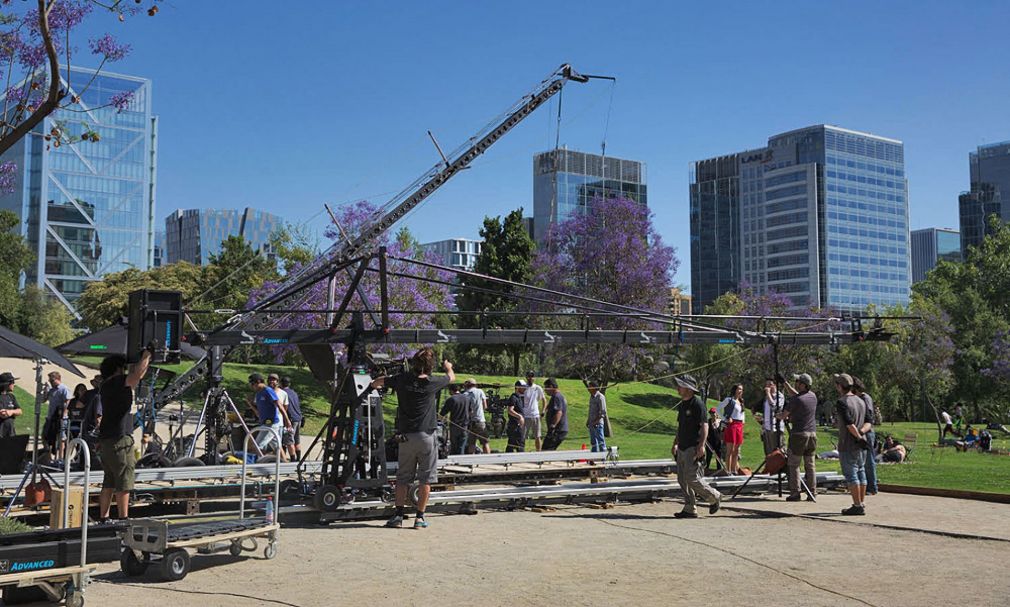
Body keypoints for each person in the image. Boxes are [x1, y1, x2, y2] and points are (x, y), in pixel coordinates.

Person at [371, 347, 454, 529]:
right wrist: (448, 366)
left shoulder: (402, 379)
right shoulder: (433, 382)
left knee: (403, 478)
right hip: (426, 436)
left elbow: (378, 382)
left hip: (406, 437)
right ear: (430, 367)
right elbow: (451, 378)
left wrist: (371, 386)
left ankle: (398, 516)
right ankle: (419, 518)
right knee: (425, 479)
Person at [97, 349, 152, 521]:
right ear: (117, 369)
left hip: (107, 441)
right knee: (124, 481)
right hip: (120, 440)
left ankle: (103, 518)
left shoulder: (105, 386)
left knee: (109, 481)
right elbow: (138, 375)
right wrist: (147, 355)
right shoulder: (117, 382)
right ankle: (123, 519)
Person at [671, 374, 721, 518]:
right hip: (682, 447)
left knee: (692, 478)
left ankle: (714, 496)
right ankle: (689, 507)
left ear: (688, 388)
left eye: (681, 385)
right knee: (682, 479)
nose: (678, 388)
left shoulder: (697, 404)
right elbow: (680, 427)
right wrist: (675, 443)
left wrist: (701, 446)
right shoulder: (682, 406)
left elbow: (705, 426)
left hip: (693, 447)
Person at [778, 373, 818, 501]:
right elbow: (797, 395)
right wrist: (785, 383)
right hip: (812, 434)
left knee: (794, 464)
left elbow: (784, 415)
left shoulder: (795, 400)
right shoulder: (812, 397)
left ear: (803, 385)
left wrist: (776, 415)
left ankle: (795, 492)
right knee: (810, 464)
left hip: (799, 434)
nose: (796, 383)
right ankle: (812, 491)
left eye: (798, 382)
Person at [834, 373, 868, 516]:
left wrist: (857, 436)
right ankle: (861, 502)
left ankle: (857, 505)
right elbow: (869, 421)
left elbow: (849, 424)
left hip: (849, 443)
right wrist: (862, 435)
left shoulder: (842, 402)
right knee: (861, 472)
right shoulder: (861, 400)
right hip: (862, 443)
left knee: (851, 474)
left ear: (840, 386)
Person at [248, 373, 292, 459]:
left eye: (252, 384)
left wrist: (287, 420)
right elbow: (258, 412)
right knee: (278, 448)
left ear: (258, 382)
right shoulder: (258, 394)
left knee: (256, 446)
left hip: (271, 424)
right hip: (264, 423)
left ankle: (261, 465)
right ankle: (285, 466)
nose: (251, 386)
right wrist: (250, 404)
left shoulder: (268, 390)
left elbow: (280, 406)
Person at [852, 377, 878, 496]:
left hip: (867, 432)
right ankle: (864, 484)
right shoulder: (858, 398)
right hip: (860, 431)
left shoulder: (865, 398)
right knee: (861, 461)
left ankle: (872, 487)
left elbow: (869, 417)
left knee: (869, 460)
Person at [267, 373, 294, 462]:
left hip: (278, 424)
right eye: (270, 379)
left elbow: (284, 409)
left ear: (278, 382)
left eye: (274, 380)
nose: (272, 381)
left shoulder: (283, 394)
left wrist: (286, 421)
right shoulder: (264, 392)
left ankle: (282, 463)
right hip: (266, 422)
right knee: (268, 446)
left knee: (278, 445)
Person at [45, 371, 71, 458]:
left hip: (61, 418)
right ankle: (49, 457)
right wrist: (45, 390)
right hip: (51, 417)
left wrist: (63, 415)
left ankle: (61, 457)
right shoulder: (51, 390)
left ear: (58, 379)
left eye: (52, 381)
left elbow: (67, 402)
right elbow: (43, 400)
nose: (51, 382)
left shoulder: (64, 389)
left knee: (61, 438)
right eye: (50, 381)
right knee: (47, 436)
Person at [720, 384, 745, 474]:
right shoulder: (729, 400)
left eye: (742, 389)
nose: (740, 391)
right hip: (731, 425)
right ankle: (728, 470)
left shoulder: (741, 401)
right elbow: (718, 409)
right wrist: (725, 418)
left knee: (737, 450)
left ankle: (734, 470)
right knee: (730, 450)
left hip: (740, 425)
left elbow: (742, 414)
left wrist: (743, 424)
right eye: (739, 389)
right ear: (735, 390)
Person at [438, 384, 470, 455]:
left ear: (451, 391)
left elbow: (442, 413)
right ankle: (461, 461)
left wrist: (439, 420)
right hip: (465, 426)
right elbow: (471, 411)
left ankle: (455, 461)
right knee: (461, 446)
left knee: (454, 446)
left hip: (454, 425)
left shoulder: (451, 399)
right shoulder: (467, 398)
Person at [464, 379, 490, 455]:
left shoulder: (465, 394)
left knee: (471, 443)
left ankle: (471, 462)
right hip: (480, 421)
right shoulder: (480, 391)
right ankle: (488, 459)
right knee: (485, 442)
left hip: (471, 422)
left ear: (466, 386)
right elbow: (485, 406)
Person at [280, 376, 303, 461]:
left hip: (290, 419)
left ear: (281, 383)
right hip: (298, 418)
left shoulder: (282, 393)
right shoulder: (294, 393)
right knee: (297, 440)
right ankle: (298, 459)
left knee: (289, 441)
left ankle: (292, 460)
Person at [542, 378, 568, 451]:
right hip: (559, 429)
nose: (545, 390)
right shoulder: (558, 396)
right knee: (548, 449)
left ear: (551, 386)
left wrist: (553, 426)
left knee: (546, 449)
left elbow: (559, 412)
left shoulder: (557, 397)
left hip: (558, 429)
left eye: (546, 388)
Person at [522, 371, 547, 451]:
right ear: (526, 377)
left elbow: (544, 400)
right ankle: (521, 453)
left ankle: (538, 453)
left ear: (534, 378)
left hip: (535, 415)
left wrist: (543, 411)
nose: (530, 378)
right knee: (523, 437)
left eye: (532, 376)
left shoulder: (538, 388)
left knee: (537, 436)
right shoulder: (523, 388)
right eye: (529, 376)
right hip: (525, 415)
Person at [761, 377, 785, 456]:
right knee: (768, 453)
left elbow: (775, 407)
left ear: (775, 385)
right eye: (767, 385)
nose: (768, 387)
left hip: (775, 429)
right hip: (767, 428)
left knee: (777, 453)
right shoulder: (766, 398)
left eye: (770, 385)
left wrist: (768, 394)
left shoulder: (779, 396)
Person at [505, 381, 526, 453]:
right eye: (523, 387)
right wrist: (519, 416)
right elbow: (510, 410)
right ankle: (521, 460)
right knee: (520, 444)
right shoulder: (513, 397)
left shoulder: (519, 397)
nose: (525, 389)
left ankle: (507, 460)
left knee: (511, 444)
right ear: (517, 388)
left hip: (518, 426)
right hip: (514, 426)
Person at [586, 380, 607, 453]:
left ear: (594, 387)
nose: (588, 388)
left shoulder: (600, 397)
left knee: (601, 441)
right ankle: (593, 457)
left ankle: (603, 458)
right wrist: (588, 421)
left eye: (590, 387)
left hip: (598, 424)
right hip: (591, 423)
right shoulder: (591, 397)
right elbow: (591, 410)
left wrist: (596, 421)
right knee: (593, 442)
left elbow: (603, 412)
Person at [0, 372, 22, 438]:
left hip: (10, 433)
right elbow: (2, 414)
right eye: (12, 383)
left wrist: (11, 412)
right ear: (7, 384)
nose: (13, 385)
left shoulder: (11, 396)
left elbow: (20, 411)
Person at [705, 407, 723, 472]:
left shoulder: (720, 422)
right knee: (708, 457)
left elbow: (723, 432)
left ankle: (719, 470)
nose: (712, 414)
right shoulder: (708, 421)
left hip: (718, 443)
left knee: (718, 457)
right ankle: (706, 469)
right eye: (711, 413)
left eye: (713, 413)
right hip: (710, 442)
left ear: (717, 413)